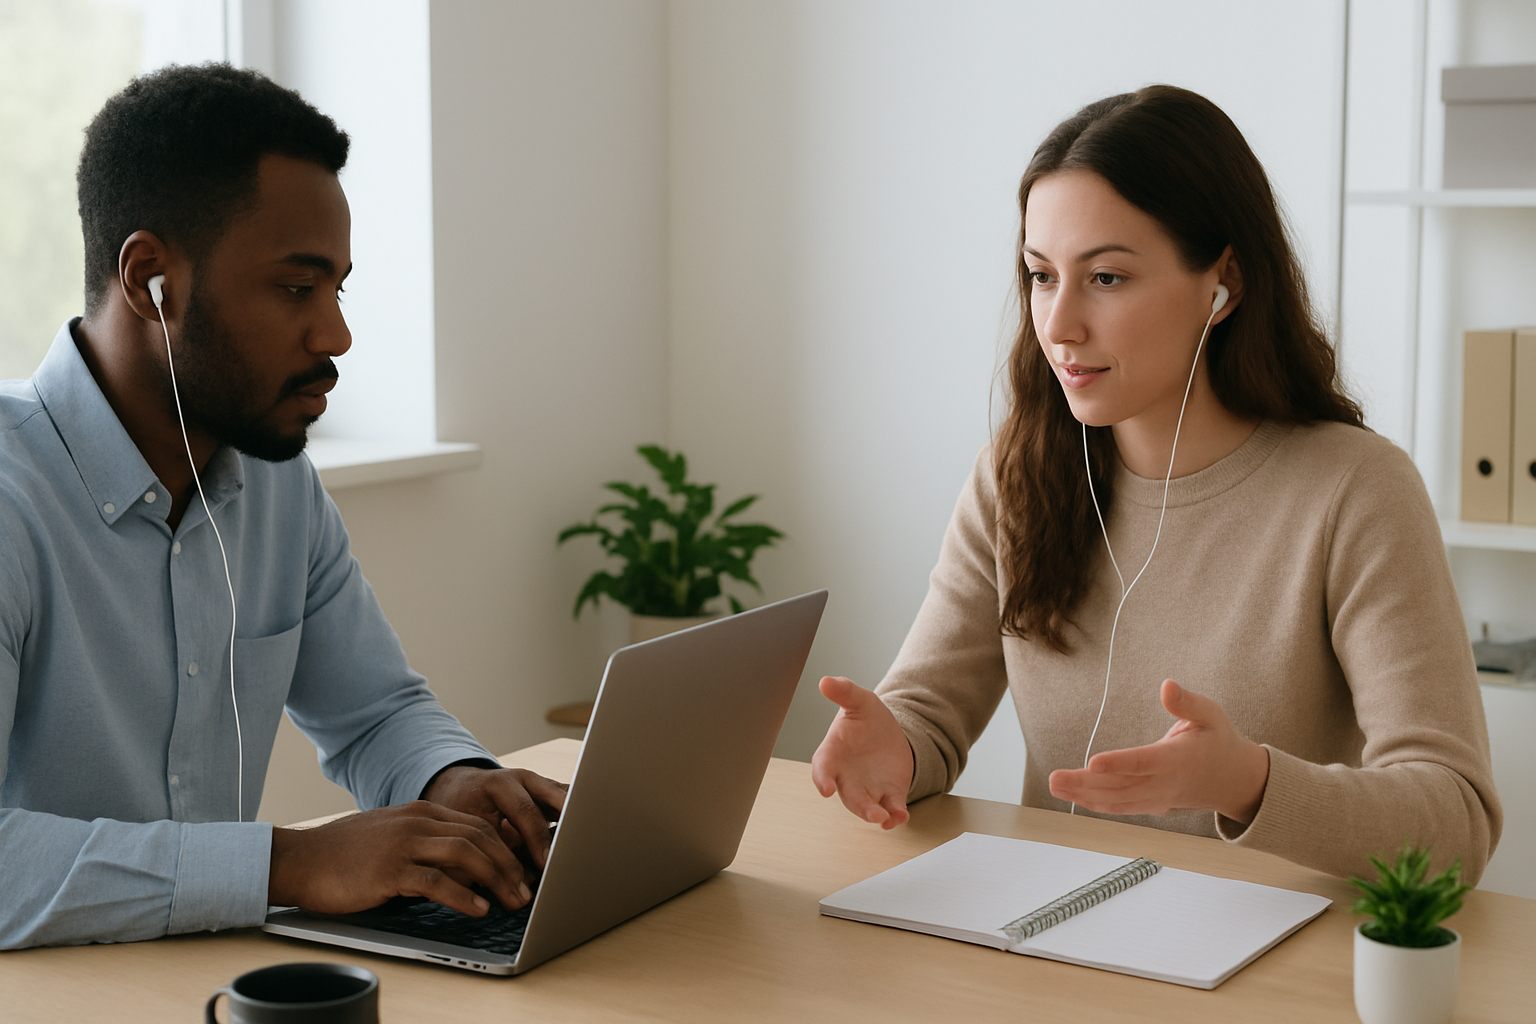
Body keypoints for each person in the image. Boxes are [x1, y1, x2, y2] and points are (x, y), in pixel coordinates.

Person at [810, 85, 1502, 881]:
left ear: (1223, 285)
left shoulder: (1356, 492)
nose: (1058, 325)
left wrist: (1250, 782)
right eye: (1041, 275)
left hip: (1275, 948)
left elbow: (1456, 820)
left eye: (1106, 278)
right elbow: (927, 713)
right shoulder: (1017, 472)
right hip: (1052, 930)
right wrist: (891, 747)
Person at [0, 65, 566, 950]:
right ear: (150, 280)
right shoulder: (12, 502)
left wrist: (452, 782)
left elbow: (375, 712)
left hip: (215, 983)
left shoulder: (273, 481)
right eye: (298, 289)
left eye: (338, 289)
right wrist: (285, 865)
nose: (336, 334)